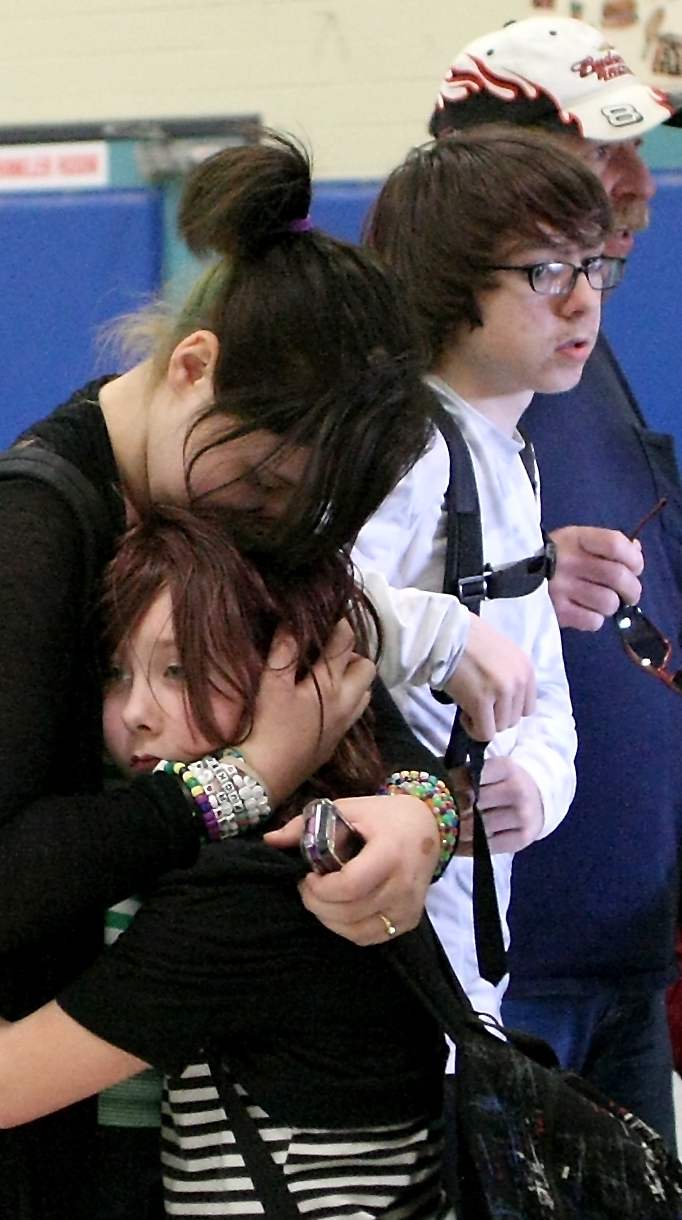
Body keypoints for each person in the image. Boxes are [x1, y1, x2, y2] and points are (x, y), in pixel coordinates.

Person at [0, 134, 457, 1220]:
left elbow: (352, 709)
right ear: (190, 366)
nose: (272, 526)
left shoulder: (222, 502)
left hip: (140, 1121)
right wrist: (246, 775)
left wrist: (420, 813)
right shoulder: (24, 534)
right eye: (262, 480)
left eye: (301, 508)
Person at [0, 509, 450, 1218]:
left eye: (181, 670)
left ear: (296, 676)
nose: (135, 713)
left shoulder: (252, 894)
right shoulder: (323, 829)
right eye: (117, 672)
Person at [429, 14, 682, 1147]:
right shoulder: (407, 375)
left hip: (617, 964)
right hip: (499, 966)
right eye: (602, 155)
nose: (635, 180)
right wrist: (507, 574)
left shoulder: (573, 343)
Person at [354, 125, 599, 1033]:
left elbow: (544, 701)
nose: (581, 303)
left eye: (592, 267)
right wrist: (443, 636)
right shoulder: (406, 444)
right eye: (544, 272)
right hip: (368, 959)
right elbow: (295, 610)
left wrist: (533, 787)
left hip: (462, 952)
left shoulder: (508, 456)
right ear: (450, 288)